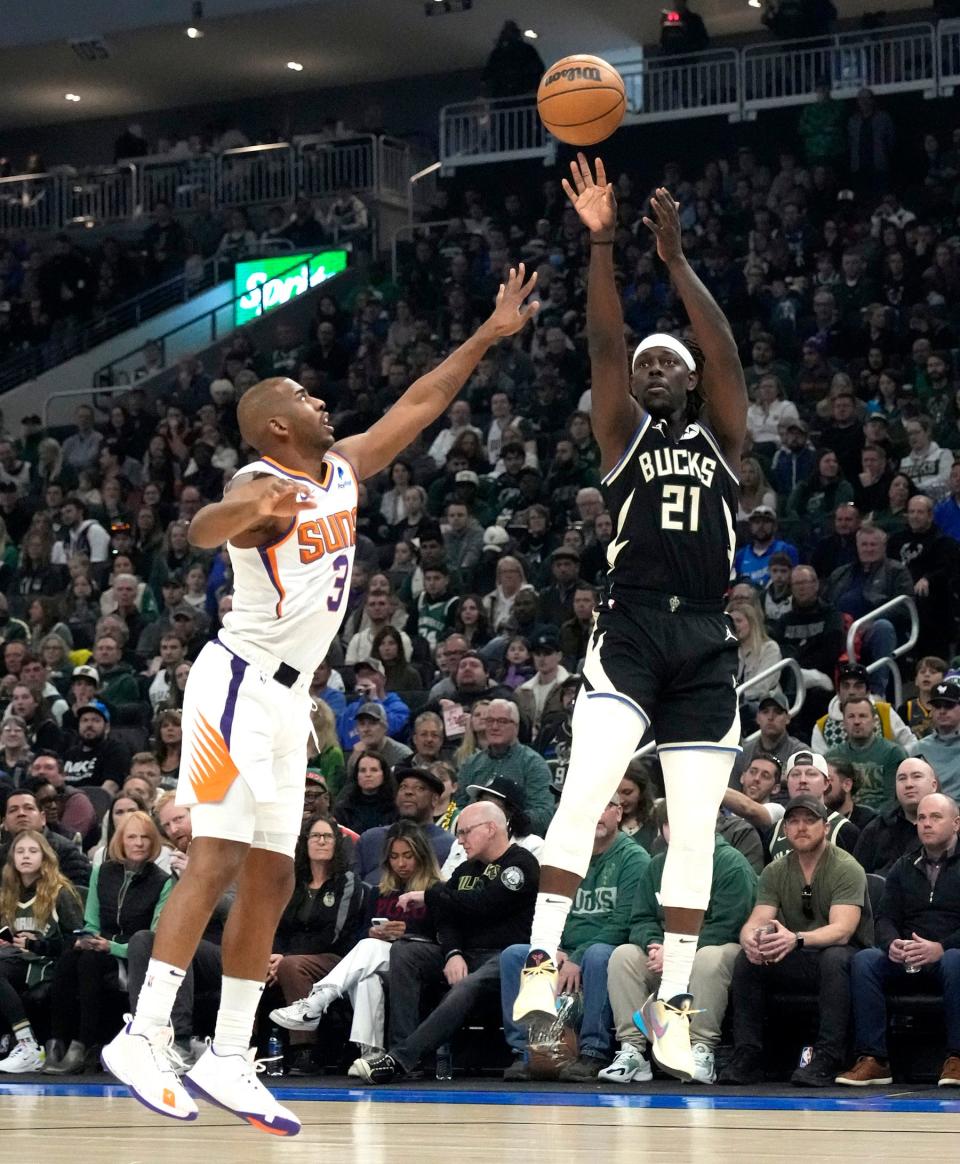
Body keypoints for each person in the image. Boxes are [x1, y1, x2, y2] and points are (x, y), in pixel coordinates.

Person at [102, 266, 539, 1131]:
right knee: (220, 856)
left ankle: (230, 1051)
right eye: (304, 394)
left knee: (271, 869)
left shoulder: (338, 471)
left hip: (290, 702)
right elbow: (200, 529)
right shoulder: (260, 487)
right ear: (275, 423)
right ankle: (143, 1032)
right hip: (234, 683)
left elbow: (416, 406)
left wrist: (488, 334)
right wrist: (239, 512)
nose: (321, 400)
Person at [514, 158, 747, 1084]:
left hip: (706, 643)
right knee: (585, 795)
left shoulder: (722, 439)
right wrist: (605, 243)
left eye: (668, 364)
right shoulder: (623, 435)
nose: (653, 369)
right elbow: (603, 344)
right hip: (634, 627)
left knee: (693, 834)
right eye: (647, 363)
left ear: (688, 385)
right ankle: (540, 967)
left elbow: (724, 351)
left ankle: (678, 1004)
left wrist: (679, 263)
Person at [350, 800, 539, 1083]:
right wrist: (452, 953)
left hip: (505, 957)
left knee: (468, 984)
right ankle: (403, 1053)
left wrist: (431, 894)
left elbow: (484, 904)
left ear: (490, 829)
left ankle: (399, 1059)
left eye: (465, 832)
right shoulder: (465, 870)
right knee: (405, 952)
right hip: (465, 952)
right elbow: (446, 918)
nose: (459, 840)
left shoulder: (520, 863)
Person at [719, 795, 872, 1087]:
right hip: (799, 953)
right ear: (785, 829)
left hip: (845, 957)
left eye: (809, 820)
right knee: (747, 959)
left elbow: (843, 930)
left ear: (825, 827)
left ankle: (828, 1056)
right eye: (793, 821)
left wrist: (797, 938)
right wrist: (750, 939)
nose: (801, 827)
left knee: (834, 957)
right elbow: (758, 918)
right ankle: (748, 1054)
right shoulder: (775, 870)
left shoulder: (845, 866)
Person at [602, 802, 757, 1086]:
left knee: (709, 958)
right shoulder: (657, 865)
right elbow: (641, 918)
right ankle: (633, 1050)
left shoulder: (731, 864)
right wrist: (653, 943)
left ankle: (701, 1050)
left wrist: (676, 951)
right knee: (623, 956)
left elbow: (729, 926)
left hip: (718, 950)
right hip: (664, 953)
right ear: (662, 830)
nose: (680, 831)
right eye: (670, 823)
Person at [500, 794, 648, 1081]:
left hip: (606, 948)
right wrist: (551, 946)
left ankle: (594, 1051)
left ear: (618, 813)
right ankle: (525, 1053)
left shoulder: (634, 858)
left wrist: (577, 956)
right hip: (564, 948)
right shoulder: (563, 857)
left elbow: (625, 922)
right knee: (514, 955)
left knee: (599, 955)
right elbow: (545, 909)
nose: (596, 815)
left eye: (604, 806)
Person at [269, 820, 442, 1062]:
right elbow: (359, 938)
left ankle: (316, 1002)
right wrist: (373, 933)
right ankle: (371, 1056)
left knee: (370, 952)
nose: (401, 863)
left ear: (421, 856)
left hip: (417, 962)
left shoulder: (437, 891)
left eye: (408, 856)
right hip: (379, 961)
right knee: (366, 976)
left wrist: (408, 932)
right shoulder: (379, 892)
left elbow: (444, 936)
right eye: (394, 856)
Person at [837, 793, 960, 1088]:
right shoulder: (903, 866)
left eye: (935, 817)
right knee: (865, 961)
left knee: (957, 959)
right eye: (921, 818)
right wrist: (892, 943)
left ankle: (957, 1057)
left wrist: (940, 947)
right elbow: (885, 918)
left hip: (950, 954)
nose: (926, 824)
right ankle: (874, 1059)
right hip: (907, 955)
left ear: (956, 824)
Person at [45, 812, 171, 1075]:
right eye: (132, 837)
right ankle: (56, 1042)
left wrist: (111, 948)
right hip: (100, 945)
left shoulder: (163, 881)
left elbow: (153, 937)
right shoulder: (101, 872)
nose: (139, 843)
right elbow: (91, 921)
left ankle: (84, 1045)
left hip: (133, 954)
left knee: (91, 961)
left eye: (145, 837)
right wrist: (86, 939)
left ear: (153, 842)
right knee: (71, 956)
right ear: (120, 841)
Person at [264, 814, 364, 1075]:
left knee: (290, 966)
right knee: (256, 967)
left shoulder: (347, 881)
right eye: (315, 836)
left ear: (336, 843)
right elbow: (277, 925)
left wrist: (284, 958)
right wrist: (274, 956)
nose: (321, 841)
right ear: (305, 843)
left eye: (327, 836)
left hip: (337, 958)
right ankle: (245, 1047)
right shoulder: (292, 881)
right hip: (289, 958)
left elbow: (335, 933)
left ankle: (304, 1050)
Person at [0, 830, 84, 1073]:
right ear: (12, 858)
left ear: (45, 857)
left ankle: (28, 1045)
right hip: (16, 959)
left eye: (33, 851)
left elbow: (76, 942)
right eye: (20, 851)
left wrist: (37, 944)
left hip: (47, 962)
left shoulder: (60, 892)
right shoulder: (7, 893)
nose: (26, 856)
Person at [456, 698, 555, 836]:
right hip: (470, 838)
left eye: (502, 721)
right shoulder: (470, 764)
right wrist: (458, 823)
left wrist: (501, 824)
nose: (494, 727)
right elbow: (454, 806)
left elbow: (544, 814)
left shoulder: (533, 764)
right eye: (489, 721)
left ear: (516, 726)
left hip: (517, 840)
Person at [353, 767, 453, 882]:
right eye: (403, 787)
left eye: (419, 788)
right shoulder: (371, 839)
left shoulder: (449, 845)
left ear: (435, 799)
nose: (408, 792)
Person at [854, 755, 940, 875]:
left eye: (917, 777)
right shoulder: (876, 829)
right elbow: (856, 877)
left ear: (933, 785)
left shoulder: (952, 827)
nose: (909, 784)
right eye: (902, 778)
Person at [824, 696, 907, 811]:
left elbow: (894, 801)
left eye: (862, 716)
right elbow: (827, 799)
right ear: (843, 722)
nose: (857, 721)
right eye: (851, 716)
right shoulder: (831, 757)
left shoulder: (893, 753)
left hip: (883, 823)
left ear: (875, 721)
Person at [910, 678, 960, 800]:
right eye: (937, 706)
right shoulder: (919, 748)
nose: (942, 711)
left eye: (949, 706)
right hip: (928, 811)